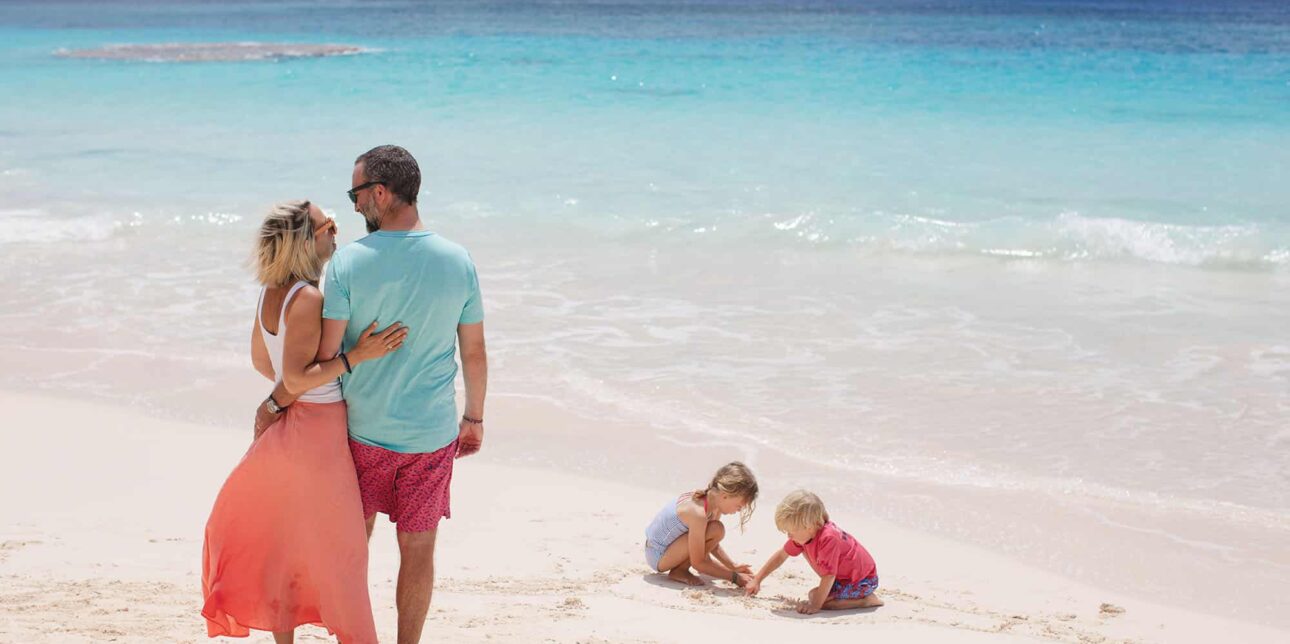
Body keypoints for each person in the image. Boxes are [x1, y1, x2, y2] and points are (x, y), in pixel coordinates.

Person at [254, 145, 488, 644]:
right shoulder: (458, 260)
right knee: (419, 550)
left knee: (349, 549)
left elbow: (329, 353)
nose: (355, 207)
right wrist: (474, 418)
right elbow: (474, 353)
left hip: (360, 434)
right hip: (430, 437)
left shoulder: (348, 265)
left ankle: (349, 635)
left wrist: (279, 394)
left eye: (357, 195)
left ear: (380, 192)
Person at [202, 200, 406, 643]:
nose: (336, 230)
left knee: (287, 548)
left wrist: (280, 399)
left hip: (289, 431)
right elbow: (296, 377)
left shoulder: (271, 293)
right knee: (344, 551)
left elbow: (264, 363)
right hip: (318, 433)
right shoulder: (309, 296)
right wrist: (358, 356)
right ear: (305, 240)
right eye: (327, 224)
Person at [744, 489, 883, 613]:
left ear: (809, 526)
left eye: (791, 532)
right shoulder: (805, 536)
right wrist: (757, 580)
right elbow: (781, 555)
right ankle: (851, 598)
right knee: (815, 595)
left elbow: (828, 576)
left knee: (820, 600)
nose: (789, 536)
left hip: (862, 581)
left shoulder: (829, 538)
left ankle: (866, 601)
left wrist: (816, 606)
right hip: (844, 579)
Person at [643, 462, 759, 587]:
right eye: (739, 506)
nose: (739, 510)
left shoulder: (712, 504)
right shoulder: (698, 513)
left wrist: (732, 566)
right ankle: (679, 571)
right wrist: (735, 578)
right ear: (725, 496)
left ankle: (685, 567)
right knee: (716, 530)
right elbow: (698, 563)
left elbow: (710, 543)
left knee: (716, 529)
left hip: (669, 549)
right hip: (657, 554)